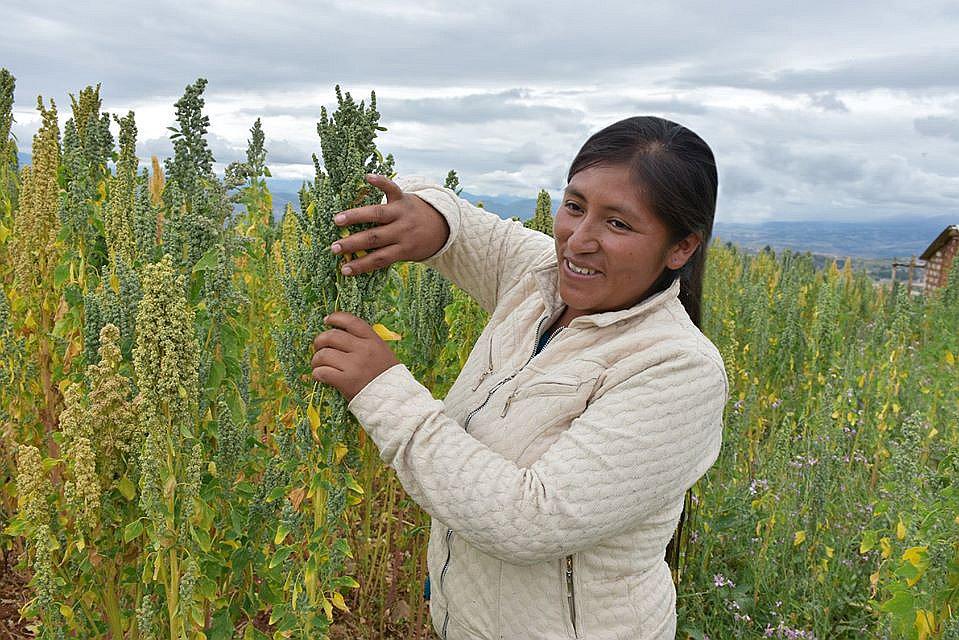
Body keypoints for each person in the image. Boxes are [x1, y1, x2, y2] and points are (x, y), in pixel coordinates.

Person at [310, 116, 728, 639]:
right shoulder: (541, 277)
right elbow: (460, 228)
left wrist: (383, 390)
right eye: (574, 206)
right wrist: (426, 216)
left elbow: (529, 520)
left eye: (618, 224)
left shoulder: (680, 371)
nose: (578, 240)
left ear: (681, 247)